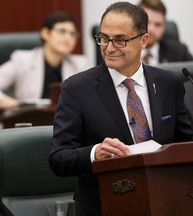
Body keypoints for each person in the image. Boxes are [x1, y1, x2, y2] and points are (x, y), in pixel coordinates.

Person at [49, 2, 193, 216]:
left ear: (144, 40)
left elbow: (186, 143)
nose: (109, 47)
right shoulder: (77, 88)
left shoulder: (168, 83)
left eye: (120, 40)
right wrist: (94, 153)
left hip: (166, 201)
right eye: (104, 38)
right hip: (105, 205)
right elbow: (58, 158)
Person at [0, 11, 90, 113]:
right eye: (62, 31)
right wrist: (15, 104)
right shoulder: (22, 60)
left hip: (62, 127)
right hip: (24, 125)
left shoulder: (79, 64)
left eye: (73, 34)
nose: (68, 37)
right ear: (45, 33)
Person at [138, 0, 193, 65]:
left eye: (158, 24)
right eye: (147, 22)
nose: (151, 29)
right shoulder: (125, 51)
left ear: (164, 26)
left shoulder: (179, 52)